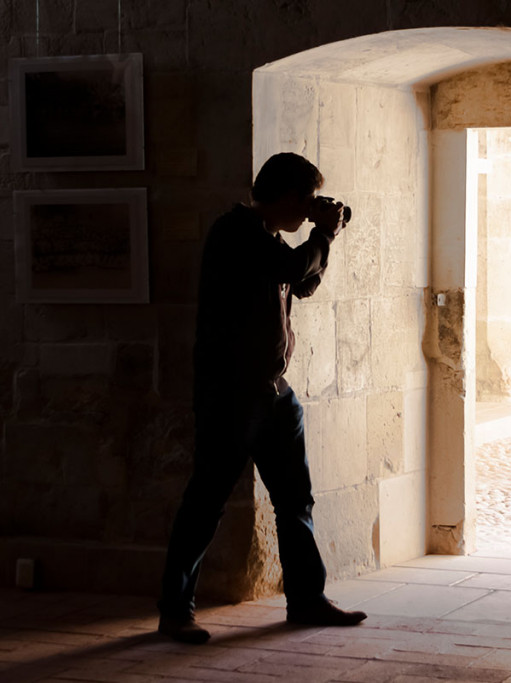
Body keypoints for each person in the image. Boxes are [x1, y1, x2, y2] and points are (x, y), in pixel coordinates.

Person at [157, 152, 366, 644]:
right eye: (308, 201)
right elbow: (296, 267)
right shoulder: (236, 232)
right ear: (289, 196)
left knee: (296, 500)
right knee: (206, 502)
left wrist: (321, 240)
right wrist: (324, 234)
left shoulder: (268, 238)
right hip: (230, 394)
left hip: (273, 392)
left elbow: (305, 282)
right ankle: (175, 610)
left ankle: (307, 600)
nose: (311, 211)